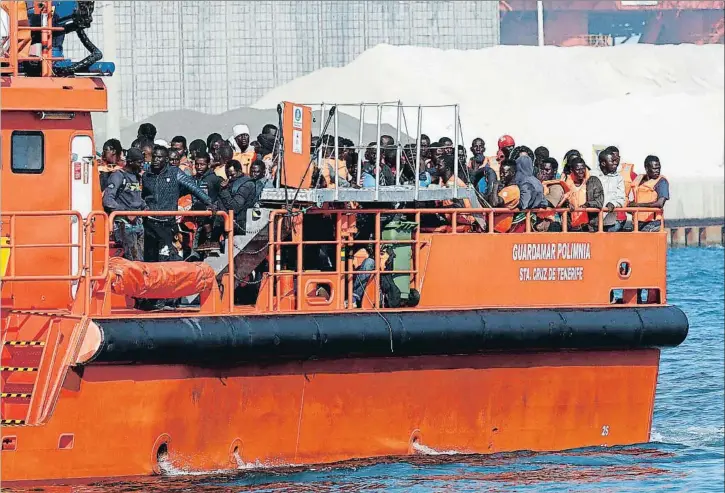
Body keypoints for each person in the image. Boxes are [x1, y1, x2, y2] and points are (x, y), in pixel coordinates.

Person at [141, 145, 215, 262]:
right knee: (149, 259)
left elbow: (193, 188)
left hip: (167, 223)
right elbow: (143, 196)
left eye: (159, 157)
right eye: (154, 157)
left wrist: (208, 202)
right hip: (149, 223)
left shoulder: (175, 172)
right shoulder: (147, 175)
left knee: (165, 258)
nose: (155, 160)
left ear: (166, 160)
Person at [102, 148, 146, 261]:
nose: (142, 165)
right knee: (132, 260)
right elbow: (108, 200)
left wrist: (145, 207)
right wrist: (126, 213)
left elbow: (137, 198)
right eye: (140, 162)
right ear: (130, 162)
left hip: (138, 224)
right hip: (124, 225)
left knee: (140, 258)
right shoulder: (118, 176)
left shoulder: (137, 177)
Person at [192, 151, 223, 253]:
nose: (199, 167)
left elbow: (220, 193)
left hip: (210, 214)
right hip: (197, 215)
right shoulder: (194, 178)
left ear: (208, 165)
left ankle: (210, 237)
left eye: (202, 164)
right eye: (197, 164)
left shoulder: (213, 179)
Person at [629, 155, 669, 232]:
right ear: (646, 168)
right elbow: (638, 200)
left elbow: (660, 204)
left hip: (652, 224)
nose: (657, 171)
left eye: (658, 168)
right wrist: (630, 206)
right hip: (637, 223)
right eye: (654, 168)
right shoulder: (639, 179)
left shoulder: (662, 182)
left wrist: (637, 205)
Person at [564, 156, 604, 232]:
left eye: (583, 168)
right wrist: (567, 204)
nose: (581, 172)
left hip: (589, 226)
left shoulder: (593, 181)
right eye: (578, 169)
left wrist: (587, 204)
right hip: (571, 227)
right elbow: (562, 200)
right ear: (571, 170)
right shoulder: (566, 183)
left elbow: (599, 202)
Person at [606, 145, 637, 230]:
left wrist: (631, 205)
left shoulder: (629, 173)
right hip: (602, 216)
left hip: (619, 218)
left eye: (617, 158)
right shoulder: (600, 172)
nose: (615, 161)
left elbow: (640, 191)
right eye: (612, 158)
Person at [595, 150, 626, 232]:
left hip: (609, 224)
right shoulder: (592, 175)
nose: (615, 163)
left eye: (616, 160)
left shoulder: (619, 178)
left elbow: (621, 198)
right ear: (603, 163)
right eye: (612, 161)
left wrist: (613, 203)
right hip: (592, 223)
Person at [536, 157, 568, 232]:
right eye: (542, 169)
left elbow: (549, 203)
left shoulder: (557, 186)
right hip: (539, 223)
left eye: (547, 170)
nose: (543, 172)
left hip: (551, 225)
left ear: (554, 171)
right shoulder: (541, 184)